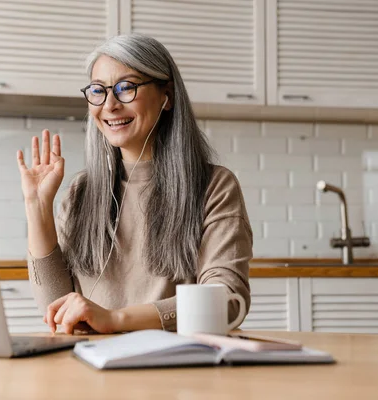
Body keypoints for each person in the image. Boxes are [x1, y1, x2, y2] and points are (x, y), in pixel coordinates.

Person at [16, 33, 253, 335]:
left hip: (177, 368)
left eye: (126, 87)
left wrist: (116, 320)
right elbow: (55, 309)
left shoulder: (214, 186)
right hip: (93, 365)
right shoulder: (80, 192)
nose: (110, 105)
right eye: (98, 90)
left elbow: (227, 301)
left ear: (167, 96)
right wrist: (37, 207)